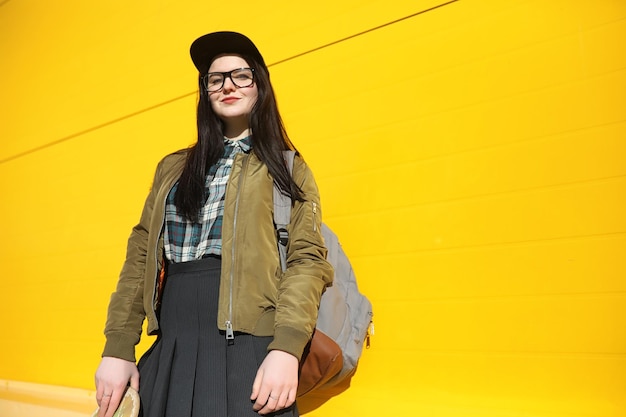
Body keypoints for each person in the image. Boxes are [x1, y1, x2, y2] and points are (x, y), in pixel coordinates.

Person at [94, 31, 334, 417]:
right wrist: (118, 346)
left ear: (260, 85)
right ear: (205, 91)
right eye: (215, 78)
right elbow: (140, 257)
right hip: (172, 345)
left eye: (241, 75)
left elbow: (307, 261)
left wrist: (287, 347)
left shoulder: (288, 168)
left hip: (251, 349)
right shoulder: (172, 168)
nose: (228, 85)